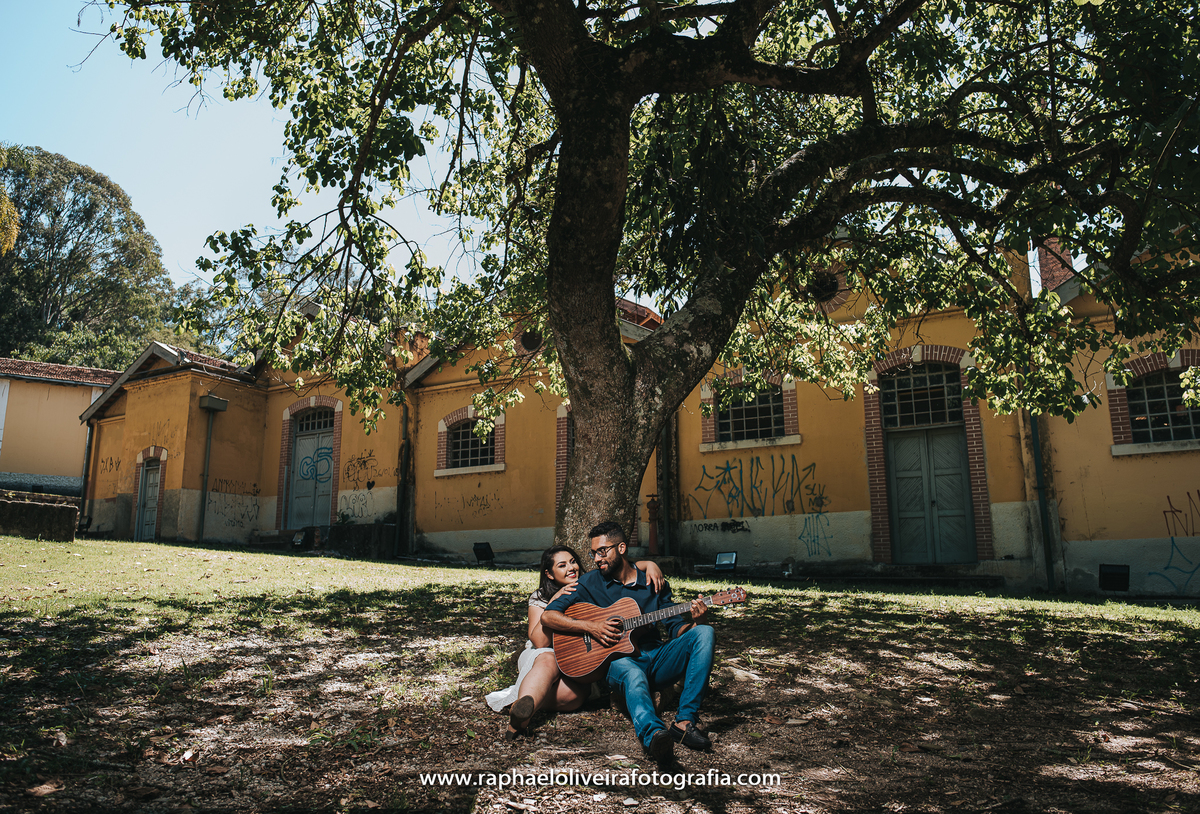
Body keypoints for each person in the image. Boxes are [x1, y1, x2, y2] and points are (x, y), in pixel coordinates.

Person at [540, 521, 715, 763]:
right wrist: (592, 627)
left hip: (656, 657)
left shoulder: (653, 582)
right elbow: (548, 616)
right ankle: (653, 735)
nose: (597, 559)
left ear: (621, 548)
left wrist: (699, 621)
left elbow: (677, 629)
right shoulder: (590, 582)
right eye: (593, 553)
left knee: (705, 633)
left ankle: (684, 723)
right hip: (620, 662)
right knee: (632, 673)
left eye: (603, 551)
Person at [486, 545, 665, 739]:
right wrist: (555, 601)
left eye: (573, 562)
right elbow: (540, 641)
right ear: (549, 574)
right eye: (562, 565)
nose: (571, 568)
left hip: (577, 661)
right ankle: (518, 722)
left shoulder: (589, 586)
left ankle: (524, 704)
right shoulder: (540, 596)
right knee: (550, 659)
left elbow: (621, 567)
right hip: (542, 656)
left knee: (575, 697)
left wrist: (649, 564)